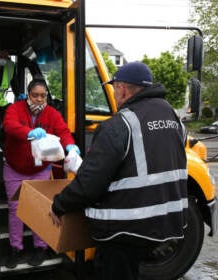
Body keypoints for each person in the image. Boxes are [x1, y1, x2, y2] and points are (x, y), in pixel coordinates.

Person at [50, 62, 188, 279]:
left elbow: (89, 183)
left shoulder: (119, 124)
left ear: (122, 89)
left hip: (125, 228)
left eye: (114, 89)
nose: (114, 94)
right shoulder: (172, 116)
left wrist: (59, 205)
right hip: (166, 221)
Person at [2, 78, 80, 268]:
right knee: (15, 209)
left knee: (42, 209)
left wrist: (70, 145)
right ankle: (16, 249)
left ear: (47, 96)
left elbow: (63, 131)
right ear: (28, 95)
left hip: (40, 169)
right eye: (35, 95)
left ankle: (41, 248)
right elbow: (9, 125)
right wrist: (29, 132)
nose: (38, 99)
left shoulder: (51, 113)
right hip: (14, 167)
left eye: (43, 96)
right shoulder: (15, 108)